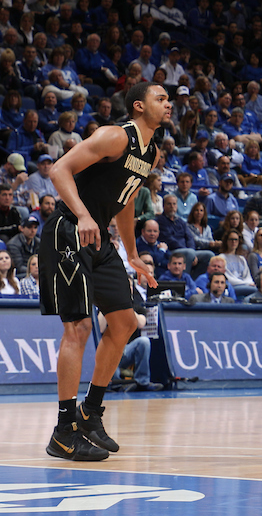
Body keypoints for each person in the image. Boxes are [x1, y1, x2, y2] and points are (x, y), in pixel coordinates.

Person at [39, 80, 167, 461]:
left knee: (126, 323)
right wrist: (81, 215)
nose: (169, 104)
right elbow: (59, 169)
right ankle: (63, 431)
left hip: (100, 240)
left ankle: (90, 412)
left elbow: (125, 202)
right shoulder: (115, 136)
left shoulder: (151, 152)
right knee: (77, 327)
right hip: (69, 229)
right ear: (139, 106)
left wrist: (132, 253)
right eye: (160, 98)